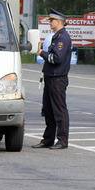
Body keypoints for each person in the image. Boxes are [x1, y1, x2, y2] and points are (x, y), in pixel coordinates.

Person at [32, 9, 73, 150]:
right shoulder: (57, 36)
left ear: (59, 21)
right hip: (50, 77)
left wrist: (41, 53)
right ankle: (48, 139)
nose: (50, 23)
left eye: (51, 20)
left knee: (59, 110)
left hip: (58, 79)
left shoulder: (63, 38)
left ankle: (62, 140)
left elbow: (56, 58)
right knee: (48, 110)